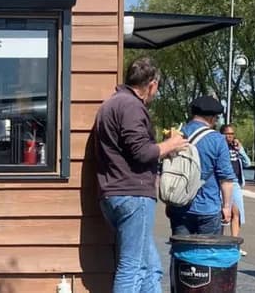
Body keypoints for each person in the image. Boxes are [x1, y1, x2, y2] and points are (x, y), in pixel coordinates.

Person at [95, 57, 189, 293]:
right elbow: (142, 152)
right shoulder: (132, 107)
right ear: (152, 85)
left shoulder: (111, 104)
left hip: (113, 193)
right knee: (133, 268)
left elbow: (130, 150)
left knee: (151, 266)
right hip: (132, 194)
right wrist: (171, 144)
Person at [165, 96, 236, 236]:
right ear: (211, 118)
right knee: (207, 254)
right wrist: (227, 207)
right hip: (208, 207)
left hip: (179, 205)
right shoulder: (217, 140)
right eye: (216, 118)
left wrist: (169, 202)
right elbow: (226, 179)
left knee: (181, 252)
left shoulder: (176, 136)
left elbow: (169, 170)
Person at [221, 124, 251, 253]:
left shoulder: (236, 148)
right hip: (222, 183)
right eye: (227, 134)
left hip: (236, 184)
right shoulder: (220, 148)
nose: (230, 136)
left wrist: (241, 150)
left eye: (232, 134)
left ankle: (235, 245)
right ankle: (218, 242)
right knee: (222, 214)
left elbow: (248, 163)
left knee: (237, 213)